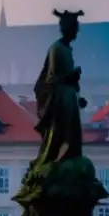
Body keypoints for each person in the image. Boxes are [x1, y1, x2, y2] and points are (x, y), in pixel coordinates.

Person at [31, 10, 89, 166]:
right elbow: (52, 79)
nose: (77, 30)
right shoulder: (56, 48)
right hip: (60, 102)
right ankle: (56, 160)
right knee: (62, 135)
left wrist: (78, 97)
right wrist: (71, 76)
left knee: (73, 136)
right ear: (68, 28)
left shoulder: (67, 49)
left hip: (69, 99)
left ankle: (67, 158)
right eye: (75, 27)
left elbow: (68, 79)